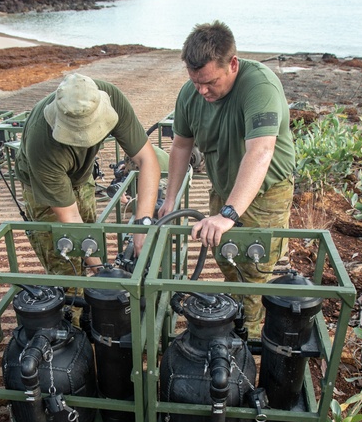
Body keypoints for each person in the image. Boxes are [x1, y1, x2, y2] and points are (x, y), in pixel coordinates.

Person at [158, 20, 296, 338]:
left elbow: (260, 152)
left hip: (266, 190)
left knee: (256, 265)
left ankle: (246, 333)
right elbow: (180, 146)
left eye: (210, 82)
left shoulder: (260, 87)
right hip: (222, 185)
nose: (202, 91)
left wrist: (228, 214)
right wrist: (170, 199)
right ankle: (236, 303)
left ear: (232, 64)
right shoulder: (191, 95)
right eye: (195, 82)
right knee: (223, 253)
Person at [16, 73, 162, 275]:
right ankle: (74, 299)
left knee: (91, 238)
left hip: (82, 176)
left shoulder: (111, 97)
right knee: (67, 262)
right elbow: (69, 216)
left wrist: (142, 224)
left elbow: (147, 160)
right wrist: (103, 273)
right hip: (42, 186)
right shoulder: (41, 144)